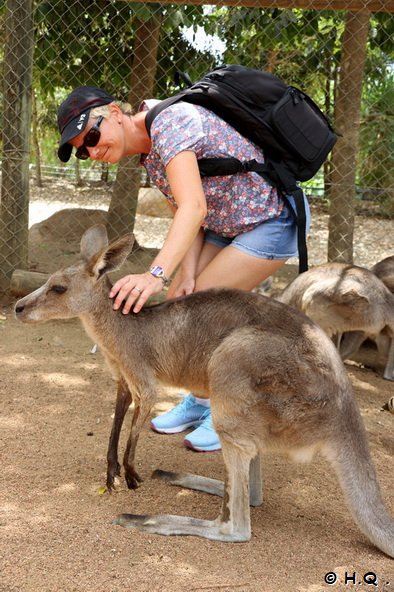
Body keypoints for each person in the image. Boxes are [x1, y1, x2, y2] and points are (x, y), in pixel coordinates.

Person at [57, 85, 311, 453]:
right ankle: (200, 400)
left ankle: (229, 410)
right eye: (83, 150)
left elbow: (194, 208)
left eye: (92, 135)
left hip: (270, 221)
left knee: (201, 311)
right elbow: (185, 212)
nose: (92, 150)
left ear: (114, 111)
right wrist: (182, 274)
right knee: (181, 298)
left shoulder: (169, 124)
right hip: (227, 225)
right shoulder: (149, 151)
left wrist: (155, 274)